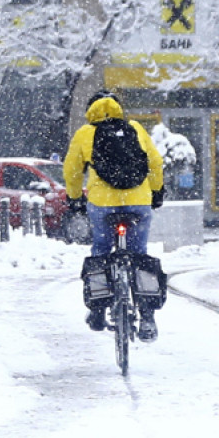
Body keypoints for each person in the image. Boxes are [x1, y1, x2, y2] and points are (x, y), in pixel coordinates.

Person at [63, 91, 164, 340]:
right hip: (138, 202)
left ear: (91, 110)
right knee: (139, 256)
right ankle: (147, 316)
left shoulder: (85, 134)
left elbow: (72, 170)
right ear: (119, 109)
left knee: (101, 252)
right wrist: (156, 191)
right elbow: (155, 162)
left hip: (103, 204)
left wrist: (74, 197)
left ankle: (98, 308)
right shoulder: (136, 129)